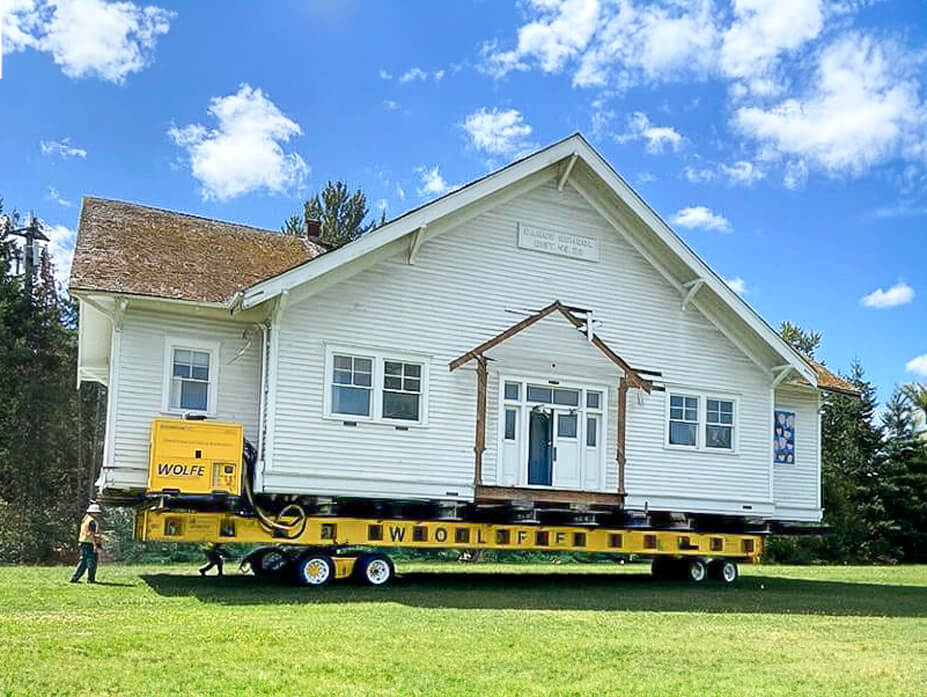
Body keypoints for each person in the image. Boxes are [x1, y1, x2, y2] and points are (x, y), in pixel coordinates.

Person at [70, 503, 103, 584]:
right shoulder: (92, 521)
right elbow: (91, 534)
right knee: (92, 562)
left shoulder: (86, 518)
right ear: (92, 512)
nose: (98, 514)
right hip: (89, 543)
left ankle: (75, 578)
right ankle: (90, 579)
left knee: (84, 562)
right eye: (96, 512)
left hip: (83, 542)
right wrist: (95, 545)